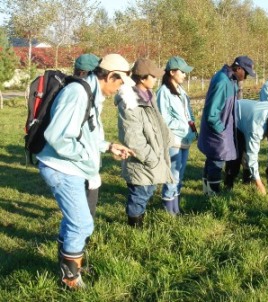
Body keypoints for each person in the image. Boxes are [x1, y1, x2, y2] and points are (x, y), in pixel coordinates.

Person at [37, 54, 135, 289]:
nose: (119, 88)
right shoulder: (78, 94)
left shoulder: (91, 94)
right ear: (110, 76)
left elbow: (88, 134)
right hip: (62, 168)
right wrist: (86, 156)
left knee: (76, 221)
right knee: (81, 223)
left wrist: (108, 146)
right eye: (119, 82)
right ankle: (69, 279)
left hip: (72, 167)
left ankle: (68, 264)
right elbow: (57, 137)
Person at [115, 58, 174, 227]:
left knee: (147, 190)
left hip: (154, 154)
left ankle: (137, 222)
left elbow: (158, 122)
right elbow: (132, 138)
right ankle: (134, 228)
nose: (156, 79)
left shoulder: (149, 96)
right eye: (153, 76)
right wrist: (151, 158)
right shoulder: (130, 102)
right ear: (142, 78)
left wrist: (168, 140)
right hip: (142, 159)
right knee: (139, 194)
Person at [198, 55, 256, 195]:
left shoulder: (229, 80)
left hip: (222, 128)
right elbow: (212, 112)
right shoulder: (223, 81)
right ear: (238, 68)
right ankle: (213, 195)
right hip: (217, 130)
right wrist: (221, 130)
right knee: (216, 162)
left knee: (211, 159)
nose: (246, 77)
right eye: (246, 73)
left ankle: (207, 193)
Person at [156, 56, 197, 215]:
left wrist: (192, 128)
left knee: (180, 174)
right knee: (173, 175)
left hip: (185, 139)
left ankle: (176, 209)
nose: (185, 75)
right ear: (172, 72)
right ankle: (169, 211)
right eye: (183, 72)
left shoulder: (181, 91)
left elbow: (189, 114)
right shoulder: (163, 92)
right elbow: (164, 118)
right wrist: (184, 126)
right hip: (173, 139)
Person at [225, 100, 268, 194]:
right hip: (233, 116)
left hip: (248, 115)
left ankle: (247, 179)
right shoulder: (256, 129)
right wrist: (259, 184)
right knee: (236, 152)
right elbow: (252, 155)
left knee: (245, 149)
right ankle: (228, 183)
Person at [73, 53, 101, 219]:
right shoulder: (80, 93)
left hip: (84, 156)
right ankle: (81, 235)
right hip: (81, 158)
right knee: (82, 208)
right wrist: (87, 158)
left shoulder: (80, 89)